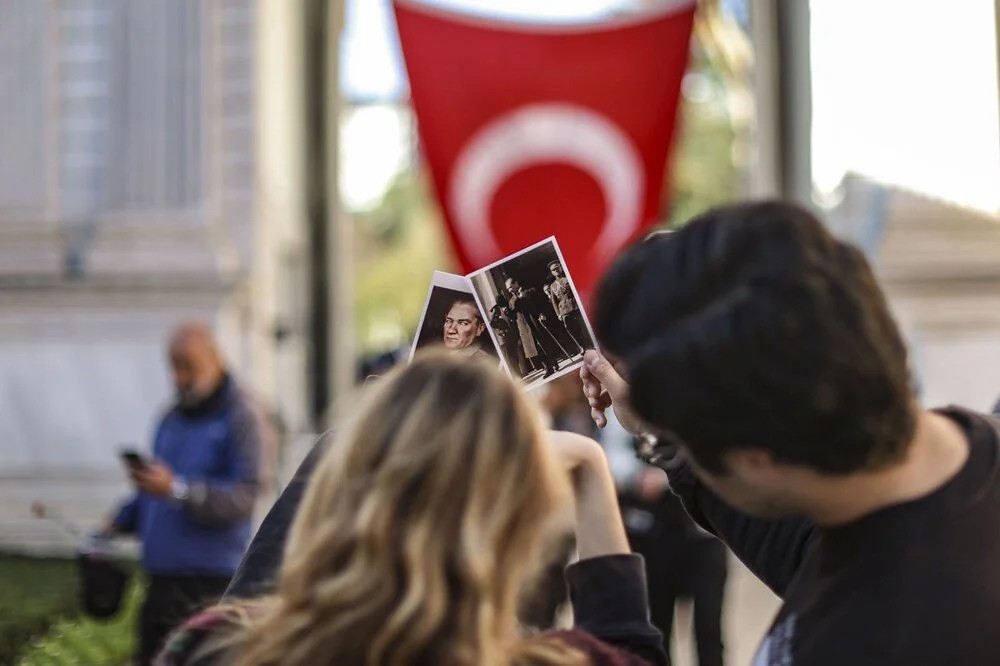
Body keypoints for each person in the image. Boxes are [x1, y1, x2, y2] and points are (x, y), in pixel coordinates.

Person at [580, 201, 1000, 665]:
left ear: (756, 459)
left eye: (696, 447)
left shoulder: (876, 641)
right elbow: (799, 547)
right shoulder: (898, 500)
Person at [156, 352, 666, 666]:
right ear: (516, 529)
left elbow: (251, 597)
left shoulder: (216, 646)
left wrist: (372, 438)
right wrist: (591, 467)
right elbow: (628, 651)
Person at [105, 322, 263, 665]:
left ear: (215, 359)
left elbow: (245, 496)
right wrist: (120, 519)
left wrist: (178, 490)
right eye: (173, 367)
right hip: (161, 584)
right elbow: (156, 495)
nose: (179, 377)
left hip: (210, 587)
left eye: (188, 366)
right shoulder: (171, 417)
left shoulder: (243, 416)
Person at [619, 467, 727, 666]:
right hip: (656, 530)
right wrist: (636, 475)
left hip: (705, 536)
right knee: (658, 623)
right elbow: (613, 450)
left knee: (708, 624)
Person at [506, 276, 561, 377]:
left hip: (536, 322)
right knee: (535, 349)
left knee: (544, 344)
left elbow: (541, 302)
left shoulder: (530, 291)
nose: (510, 290)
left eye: (510, 287)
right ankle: (547, 368)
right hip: (525, 328)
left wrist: (542, 313)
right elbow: (513, 316)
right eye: (508, 289)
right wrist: (508, 311)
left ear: (516, 283)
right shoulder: (512, 301)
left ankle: (554, 362)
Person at [546, 260, 589, 357]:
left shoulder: (569, 277)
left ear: (561, 267)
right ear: (552, 272)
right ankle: (581, 346)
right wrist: (558, 314)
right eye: (553, 270)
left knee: (582, 326)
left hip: (575, 306)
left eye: (557, 268)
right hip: (564, 311)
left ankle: (588, 344)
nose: (556, 270)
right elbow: (554, 302)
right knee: (571, 329)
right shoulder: (552, 286)